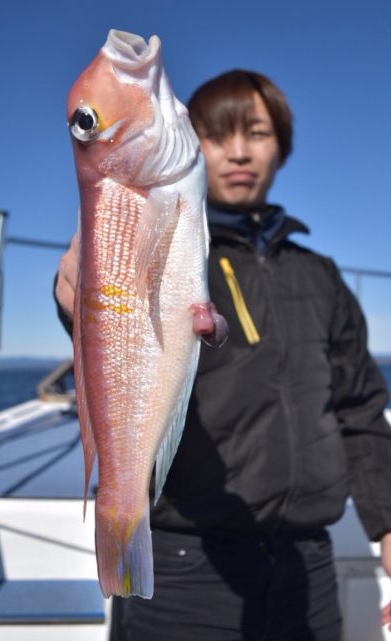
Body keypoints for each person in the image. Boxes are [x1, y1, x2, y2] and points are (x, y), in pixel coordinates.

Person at [55, 69, 391, 641]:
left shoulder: (320, 276)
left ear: (282, 145)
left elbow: (359, 409)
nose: (239, 152)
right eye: (217, 134)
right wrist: (78, 295)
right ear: (189, 139)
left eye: (257, 133)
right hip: (186, 567)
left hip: (307, 567)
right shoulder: (174, 237)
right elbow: (103, 308)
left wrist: (386, 525)